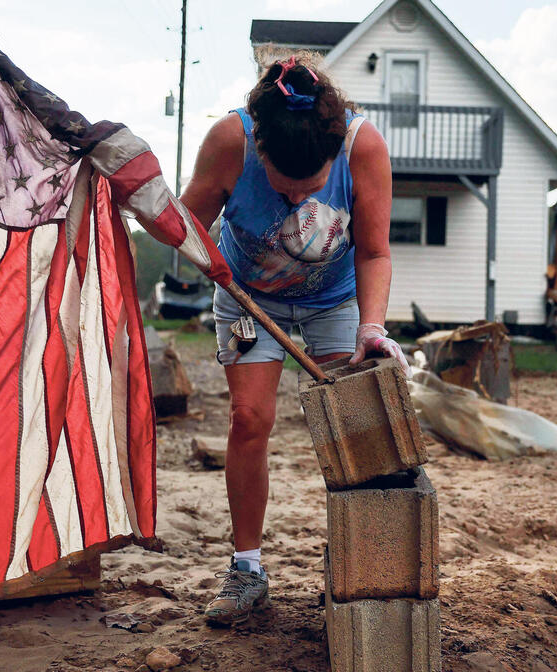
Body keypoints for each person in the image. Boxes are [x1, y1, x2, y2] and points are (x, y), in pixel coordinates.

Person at [179, 54, 408, 626]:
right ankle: (247, 569)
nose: (298, 199)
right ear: (259, 151)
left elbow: (374, 249)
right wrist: (196, 253)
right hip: (247, 296)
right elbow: (184, 225)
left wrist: (371, 328)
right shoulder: (229, 140)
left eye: (312, 187)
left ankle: (363, 565)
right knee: (249, 419)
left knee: (358, 423)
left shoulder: (363, 147)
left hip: (335, 300)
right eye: (286, 188)